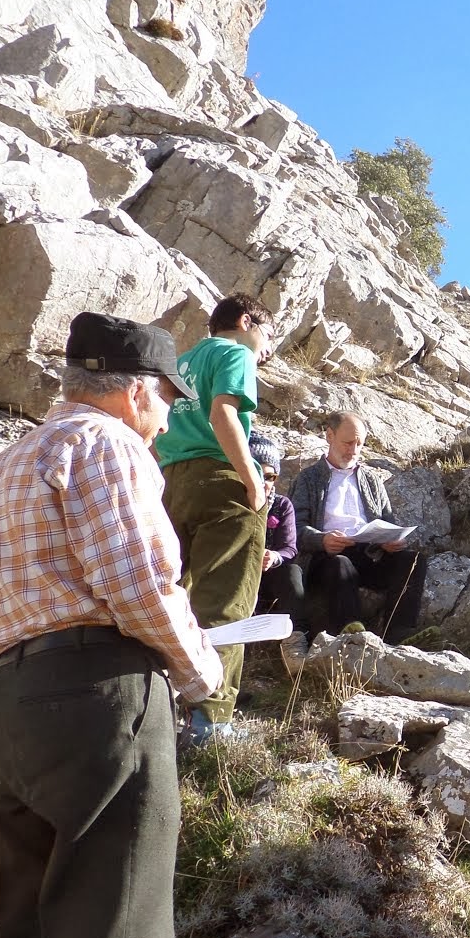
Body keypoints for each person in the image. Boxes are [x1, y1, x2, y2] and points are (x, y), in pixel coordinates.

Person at [0, 312, 223, 938]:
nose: (170, 416)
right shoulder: (109, 447)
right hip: (99, 699)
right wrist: (200, 668)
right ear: (136, 392)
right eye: (168, 398)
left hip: (0, 707)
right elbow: (135, 581)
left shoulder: (0, 466)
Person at [155, 292, 273, 742]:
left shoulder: (181, 362)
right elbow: (223, 414)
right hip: (221, 482)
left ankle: (158, 698)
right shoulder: (235, 353)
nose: (266, 351)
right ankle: (211, 719)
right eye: (267, 337)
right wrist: (253, 481)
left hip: (170, 481)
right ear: (246, 321)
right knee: (225, 598)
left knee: (170, 594)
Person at [283, 412, 428, 656]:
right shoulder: (308, 479)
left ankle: (399, 631)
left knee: (413, 560)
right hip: (327, 555)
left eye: (359, 444)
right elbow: (294, 528)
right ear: (329, 435)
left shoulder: (372, 480)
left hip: (369, 552)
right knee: (340, 564)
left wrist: (391, 541)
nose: (354, 450)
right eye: (348, 442)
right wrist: (322, 539)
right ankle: (350, 632)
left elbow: (387, 522)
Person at [249, 434, 300, 617]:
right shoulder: (230, 503)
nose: (264, 483)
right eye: (257, 475)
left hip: (269, 574)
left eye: (270, 477)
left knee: (291, 572)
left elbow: (289, 548)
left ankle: (295, 634)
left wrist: (273, 556)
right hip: (235, 574)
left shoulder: (281, 505)